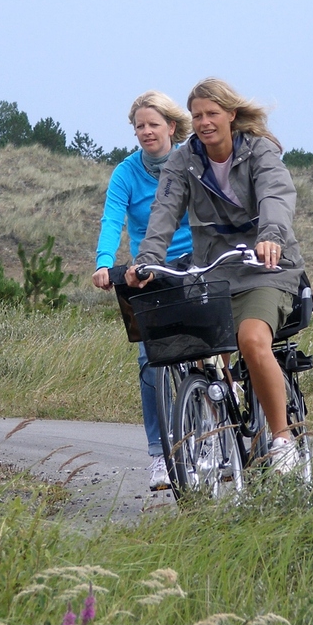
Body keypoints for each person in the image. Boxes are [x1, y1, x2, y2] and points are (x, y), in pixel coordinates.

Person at [125, 77, 306, 474]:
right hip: (214, 270)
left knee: (251, 339)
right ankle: (211, 431)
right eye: (197, 116)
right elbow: (164, 211)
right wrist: (148, 258)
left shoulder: (259, 152)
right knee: (201, 348)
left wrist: (271, 237)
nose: (204, 122)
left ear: (231, 115)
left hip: (265, 268)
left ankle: (282, 438)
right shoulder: (184, 160)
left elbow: (276, 195)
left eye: (212, 114)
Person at [92, 90, 193, 490]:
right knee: (150, 361)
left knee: (216, 343)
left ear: (171, 126)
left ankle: (218, 428)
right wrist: (104, 263)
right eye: (140, 126)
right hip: (148, 270)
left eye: (154, 124)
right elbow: (112, 218)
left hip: (195, 261)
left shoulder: (192, 160)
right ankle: (159, 456)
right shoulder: (125, 173)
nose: (147, 131)